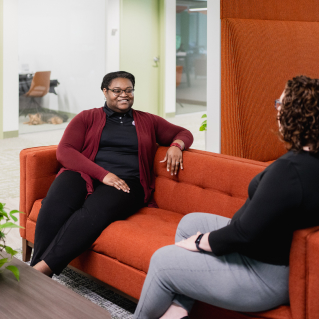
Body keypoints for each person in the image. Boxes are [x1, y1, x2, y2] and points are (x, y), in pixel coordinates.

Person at [134, 75, 319, 319]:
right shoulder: (308, 160)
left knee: (162, 260)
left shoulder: (290, 171)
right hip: (269, 252)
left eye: (279, 104)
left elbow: (244, 233)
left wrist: (200, 242)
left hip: (262, 275)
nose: (276, 110)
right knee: (192, 222)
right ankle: (179, 309)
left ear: (294, 113)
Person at [30, 71, 193, 277]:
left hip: (127, 182)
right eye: (116, 91)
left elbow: (184, 133)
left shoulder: (148, 121)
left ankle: (41, 271)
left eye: (128, 90)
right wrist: (103, 174)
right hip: (86, 173)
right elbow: (65, 151)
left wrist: (177, 145)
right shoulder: (87, 117)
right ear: (105, 92)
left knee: (91, 214)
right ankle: (34, 271)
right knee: (55, 203)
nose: (124, 95)